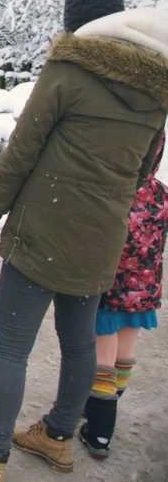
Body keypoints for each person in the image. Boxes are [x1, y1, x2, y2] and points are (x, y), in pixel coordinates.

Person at [0, 0, 168, 482]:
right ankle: (57, 437)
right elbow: (146, 169)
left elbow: (21, 151)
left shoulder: (68, 72)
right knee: (78, 344)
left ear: (77, 24)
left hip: (43, 232)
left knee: (12, 347)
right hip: (102, 238)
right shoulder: (156, 90)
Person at [80, 134, 165, 459]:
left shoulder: (115, 193)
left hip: (110, 291)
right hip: (145, 291)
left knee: (103, 360)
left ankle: (100, 431)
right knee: (124, 354)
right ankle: (107, 404)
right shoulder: (160, 193)